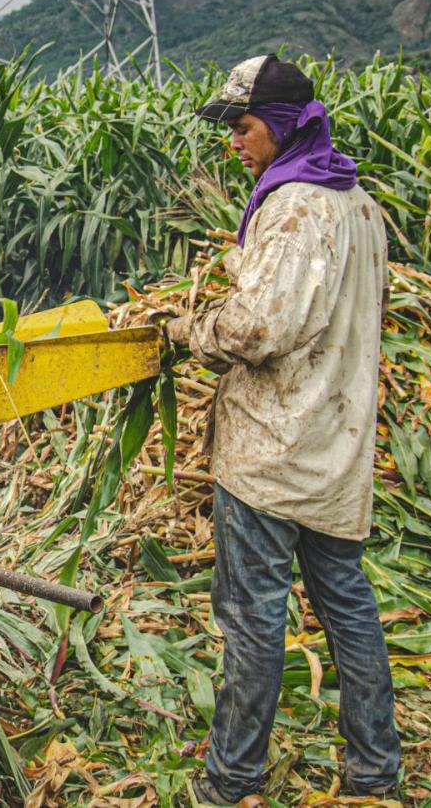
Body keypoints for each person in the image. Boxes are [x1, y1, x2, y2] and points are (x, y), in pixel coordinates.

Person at [165, 55, 400, 802]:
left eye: (244, 126)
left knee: (253, 617)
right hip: (337, 444)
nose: (235, 141)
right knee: (347, 606)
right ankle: (374, 771)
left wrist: (188, 329)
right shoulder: (358, 203)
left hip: (272, 451)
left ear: (287, 123)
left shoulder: (296, 205)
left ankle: (231, 779)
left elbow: (259, 328)